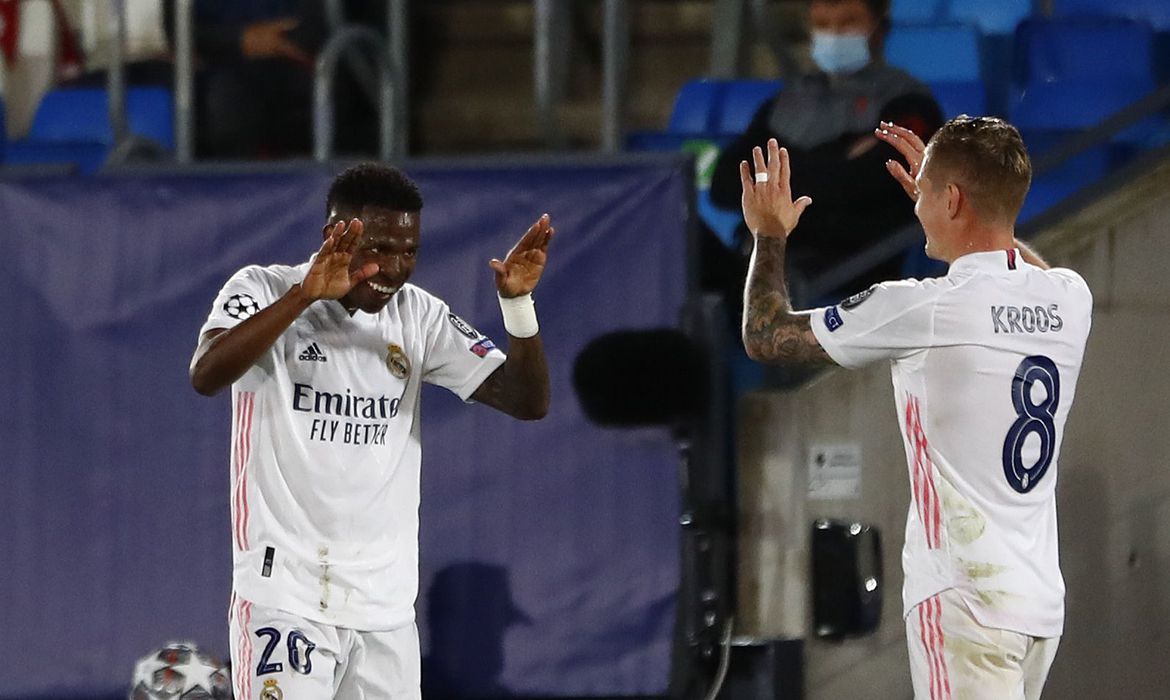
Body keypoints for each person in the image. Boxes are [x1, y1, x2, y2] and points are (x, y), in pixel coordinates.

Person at [738, 117, 1092, 699]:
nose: (917, 203)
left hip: (963, 597)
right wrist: (962, 205)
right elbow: (1019, 266)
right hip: (1037, 604)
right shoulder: (1069, 299)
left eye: (925, 191)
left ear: (951, 200)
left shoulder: (923, 308)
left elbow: (765, 334)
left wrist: (769, 234)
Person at [188, 163, 552, 699]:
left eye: (410, 252)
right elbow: (206, 375)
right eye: (379, 248)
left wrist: (517, 305)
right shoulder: (264, 288)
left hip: (385, 610)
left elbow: (527, 401)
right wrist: (303, 297)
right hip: (285, 598)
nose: (395, 269)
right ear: (335, 234)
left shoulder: (420, 316)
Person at [707, 0, 943, 305]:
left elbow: (864, 183)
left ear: (880, 28)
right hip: (761, 257)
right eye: (822, 25)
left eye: (848, 23)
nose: (834, 34)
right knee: (679, 241)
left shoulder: (910, 103)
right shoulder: (788, 102)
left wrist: (779, 172)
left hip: (851, 266)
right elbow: (725, 182)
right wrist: (838, 157)